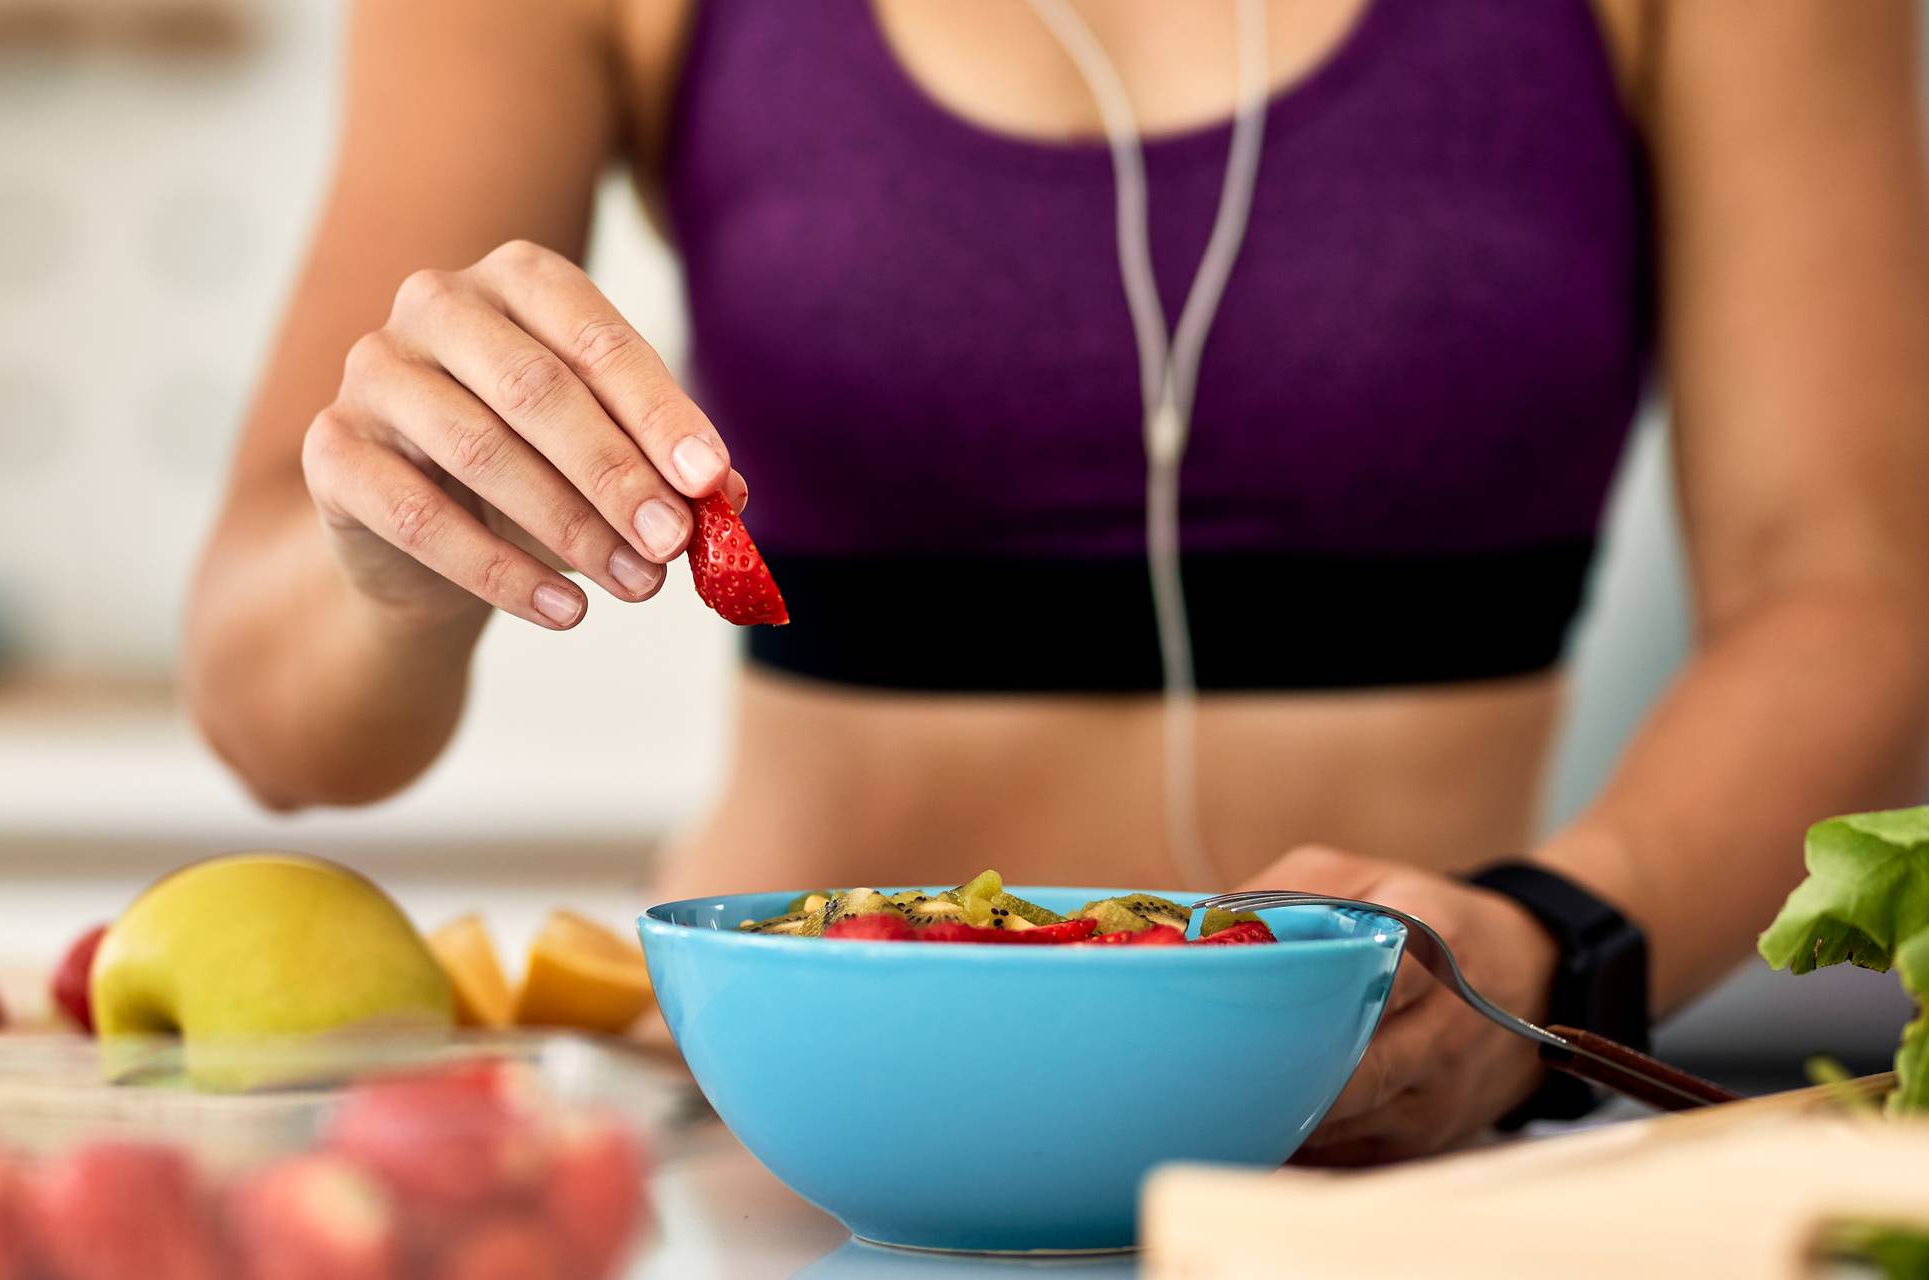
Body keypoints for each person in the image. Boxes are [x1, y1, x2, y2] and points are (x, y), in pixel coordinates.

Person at [184, 0, 1929, 1162]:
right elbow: (282, 720)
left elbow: (1855, 588)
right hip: (784, 1163)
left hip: (1392, 1159)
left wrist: (1559, 941)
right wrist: (386, 556)